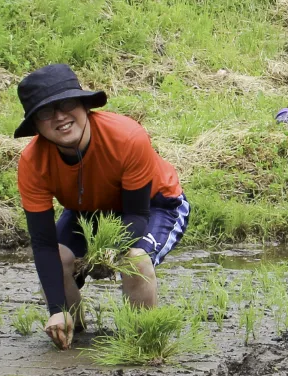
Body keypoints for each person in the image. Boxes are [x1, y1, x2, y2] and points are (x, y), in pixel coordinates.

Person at [13, 64, 189, 350]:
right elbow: (43, 244)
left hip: (154, 204)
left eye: (67, 104)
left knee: (134, 259)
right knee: (59, 259)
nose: (60, 117)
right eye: (46, 112)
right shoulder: (33, 162)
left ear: (84, 105)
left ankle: (142, 341)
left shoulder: (126, 136)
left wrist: (111, 249)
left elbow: (136, 213)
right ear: (36, 125)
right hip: (88, 210)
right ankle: (72, 334)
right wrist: (55, 308)